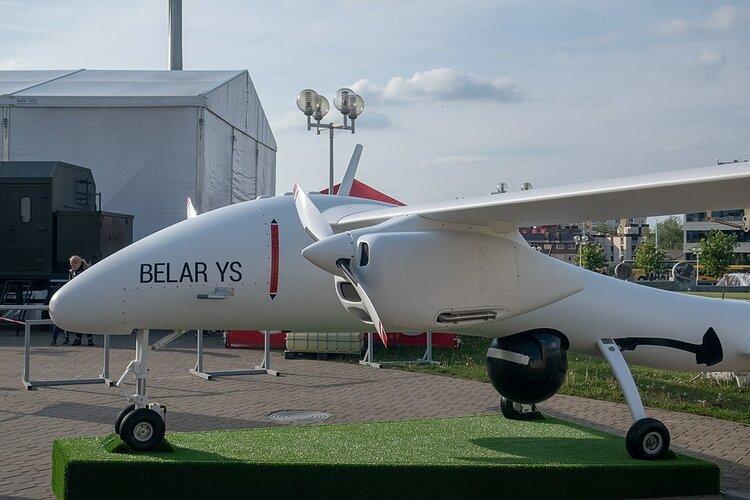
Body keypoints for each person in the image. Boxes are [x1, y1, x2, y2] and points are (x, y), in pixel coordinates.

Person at [66, 255, 95, 346]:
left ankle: (90, 338)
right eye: (71, 264)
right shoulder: (71, 272)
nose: (72, 266)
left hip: (86, 298)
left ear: (78, 263)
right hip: (76, 298)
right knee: (77, 319)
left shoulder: (87, 271)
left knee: (87, 319)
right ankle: (78, 338)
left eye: (74, 264)